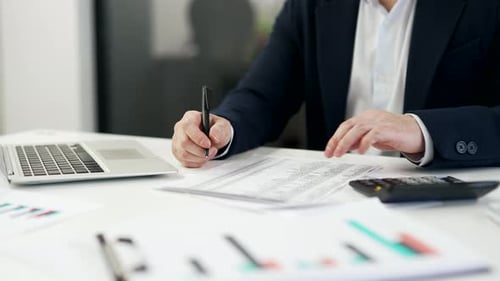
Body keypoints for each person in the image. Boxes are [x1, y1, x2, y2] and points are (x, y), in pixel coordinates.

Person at [172, 0, 500, 169]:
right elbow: (263, 95)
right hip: (332, 199)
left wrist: (423, 130)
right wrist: (223, 128)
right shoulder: (311, 5)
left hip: (450, 204)